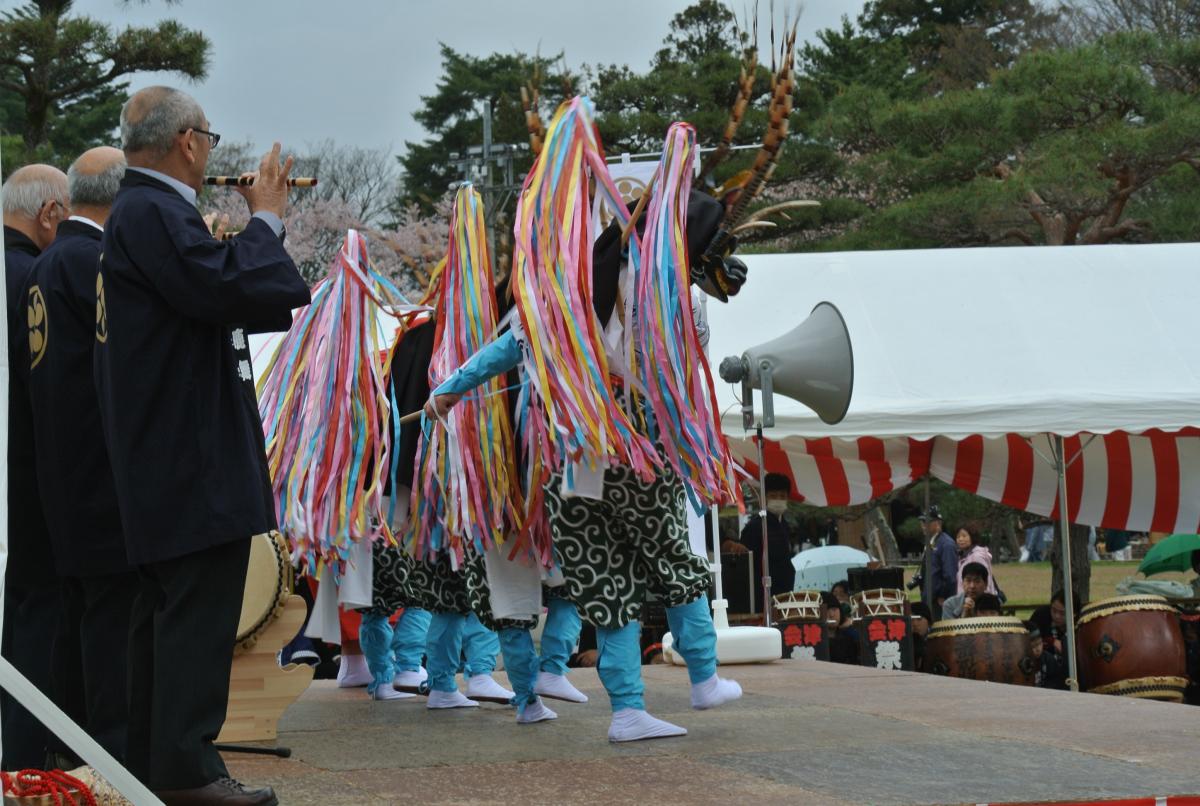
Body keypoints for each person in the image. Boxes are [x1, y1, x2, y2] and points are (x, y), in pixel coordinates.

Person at [93, 86, 310, 804]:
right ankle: (187, 773)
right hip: (185, 455)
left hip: (163, 449)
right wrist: (268, 218)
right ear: (189, 142)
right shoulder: (154, 211)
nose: (213, 152)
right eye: (210, 139)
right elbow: (223, 284)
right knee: (190, 616)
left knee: (167, 616)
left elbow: (221, 291)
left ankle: (160, 767)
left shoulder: (137, 214)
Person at [23, 147, 136, 766]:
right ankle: (108, 752)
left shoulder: (48, 261)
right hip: (97, 468)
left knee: (80, 615)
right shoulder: (94, 260)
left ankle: (72, 748)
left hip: (59, 466)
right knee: (108, 619)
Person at [2, 162, 68, 770]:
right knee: (32, 617)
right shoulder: (33, 279)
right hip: (25, 482)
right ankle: (24, 757)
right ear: (49, 213)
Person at [724, 472, 796, 599]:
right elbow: (746, 567)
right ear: (764, 497)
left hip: (784, 594)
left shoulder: (785, 525)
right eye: (773, 496)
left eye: (782, 496)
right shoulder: (755, 527)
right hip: (763, 597)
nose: (778, 500)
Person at [918, 506, 957, 619]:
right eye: (922, 522)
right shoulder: (932, 542)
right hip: (929, 599)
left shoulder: (946, 544)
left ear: (938, 523)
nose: (924, 526)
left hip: (940, 601)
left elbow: (950, 575)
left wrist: (943, 595)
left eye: (927, 522)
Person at [1030, 591, 1073, 690]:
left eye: (1062, 613)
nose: (1057, 616)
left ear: (1073, 613)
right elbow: (1030, 637)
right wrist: (1051, 641)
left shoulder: (1077, 626)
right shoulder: (1041, 615)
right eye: (1054, 610)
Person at [954, 527, 997, 596]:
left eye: (964, 536)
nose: (961, 539)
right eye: (958, 537)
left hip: (978, 601)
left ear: (972, 537)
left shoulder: (976, 557)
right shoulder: (963, 556)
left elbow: (984, 581)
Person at [822, 592, 859, 665]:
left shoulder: (849, 637)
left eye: (834, 609)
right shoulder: (817, 642)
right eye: (827, 610)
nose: (832, 615)